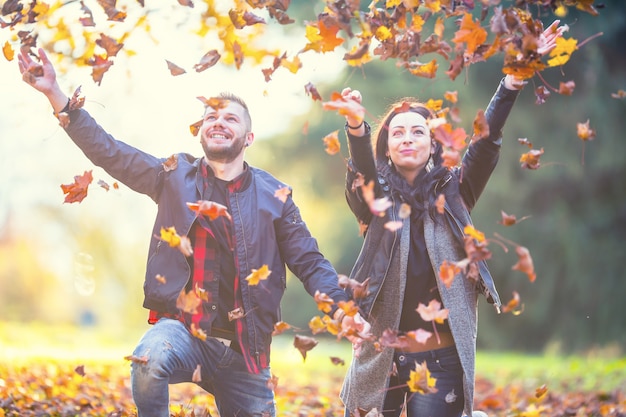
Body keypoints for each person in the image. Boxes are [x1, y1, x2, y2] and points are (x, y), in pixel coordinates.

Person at [17, 47, 369, 417]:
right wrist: (57, 96)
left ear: (248, 138)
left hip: (245, 352)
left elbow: (309, 261)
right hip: (183, 333)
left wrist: (343, 310)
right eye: (210, 117)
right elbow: (111, 153)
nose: (218, 122)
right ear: (200, 131)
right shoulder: (172, 177)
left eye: (230, 118)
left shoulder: (274, 197)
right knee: (147, 361)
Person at [328, 21, 565, 417]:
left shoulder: (455, 192)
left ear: (432, 145)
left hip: (441, 359)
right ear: (385, 145)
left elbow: (485, 141)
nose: (407, 137)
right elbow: (363, 176)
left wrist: (512, 80)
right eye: (397, 132)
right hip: (379, 355)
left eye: (417, 131)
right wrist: (355, 128)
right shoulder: (376, 200)